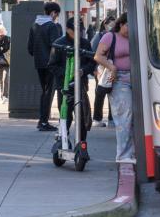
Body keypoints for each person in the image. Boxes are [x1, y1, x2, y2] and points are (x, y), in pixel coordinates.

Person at [94, 13, 135, 164]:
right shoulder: (110, 37)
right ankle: (123, 155)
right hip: (118, 80)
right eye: (128, 25)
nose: (131, 29)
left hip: (136, 79)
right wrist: (112, 67)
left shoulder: (135, 37)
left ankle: (133, 152)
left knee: (135, 119)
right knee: (124, 117)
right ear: (121, 24)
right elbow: (98, 56)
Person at [47, 17, 96, 142]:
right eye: (75, 30)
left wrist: (83, 71)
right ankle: (63, 139)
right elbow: (52, 65)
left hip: (81, 86)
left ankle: (81, 143)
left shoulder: (85, 43)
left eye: (80, 30)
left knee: (81, 116)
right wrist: (67, 73)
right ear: (68, 29)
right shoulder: (59, 43)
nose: (78, 32)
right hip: (64, 86)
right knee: (65, 114)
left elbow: (92, 63)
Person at [27, 1, 62, 131]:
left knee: (45, 91)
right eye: (56, 15)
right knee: (48, 92)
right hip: (50, 64)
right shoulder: (52, 26)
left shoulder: (34, 25)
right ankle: (43, 121)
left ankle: (42, 120)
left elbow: (30, 48)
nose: (56, 17)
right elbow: (56, 46)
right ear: (53, 13)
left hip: (39, 63)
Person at [91, 16, 116, 127]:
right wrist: (94, 69)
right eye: (110, 24)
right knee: (100, 94)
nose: (112, 26)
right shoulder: (99, 36)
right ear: (105, 24)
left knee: (113, 93)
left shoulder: (116, 36)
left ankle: (112, 118)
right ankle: (97, 118)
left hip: (112, 68)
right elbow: (92, 53)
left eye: (114, 24)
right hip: (101, 69)